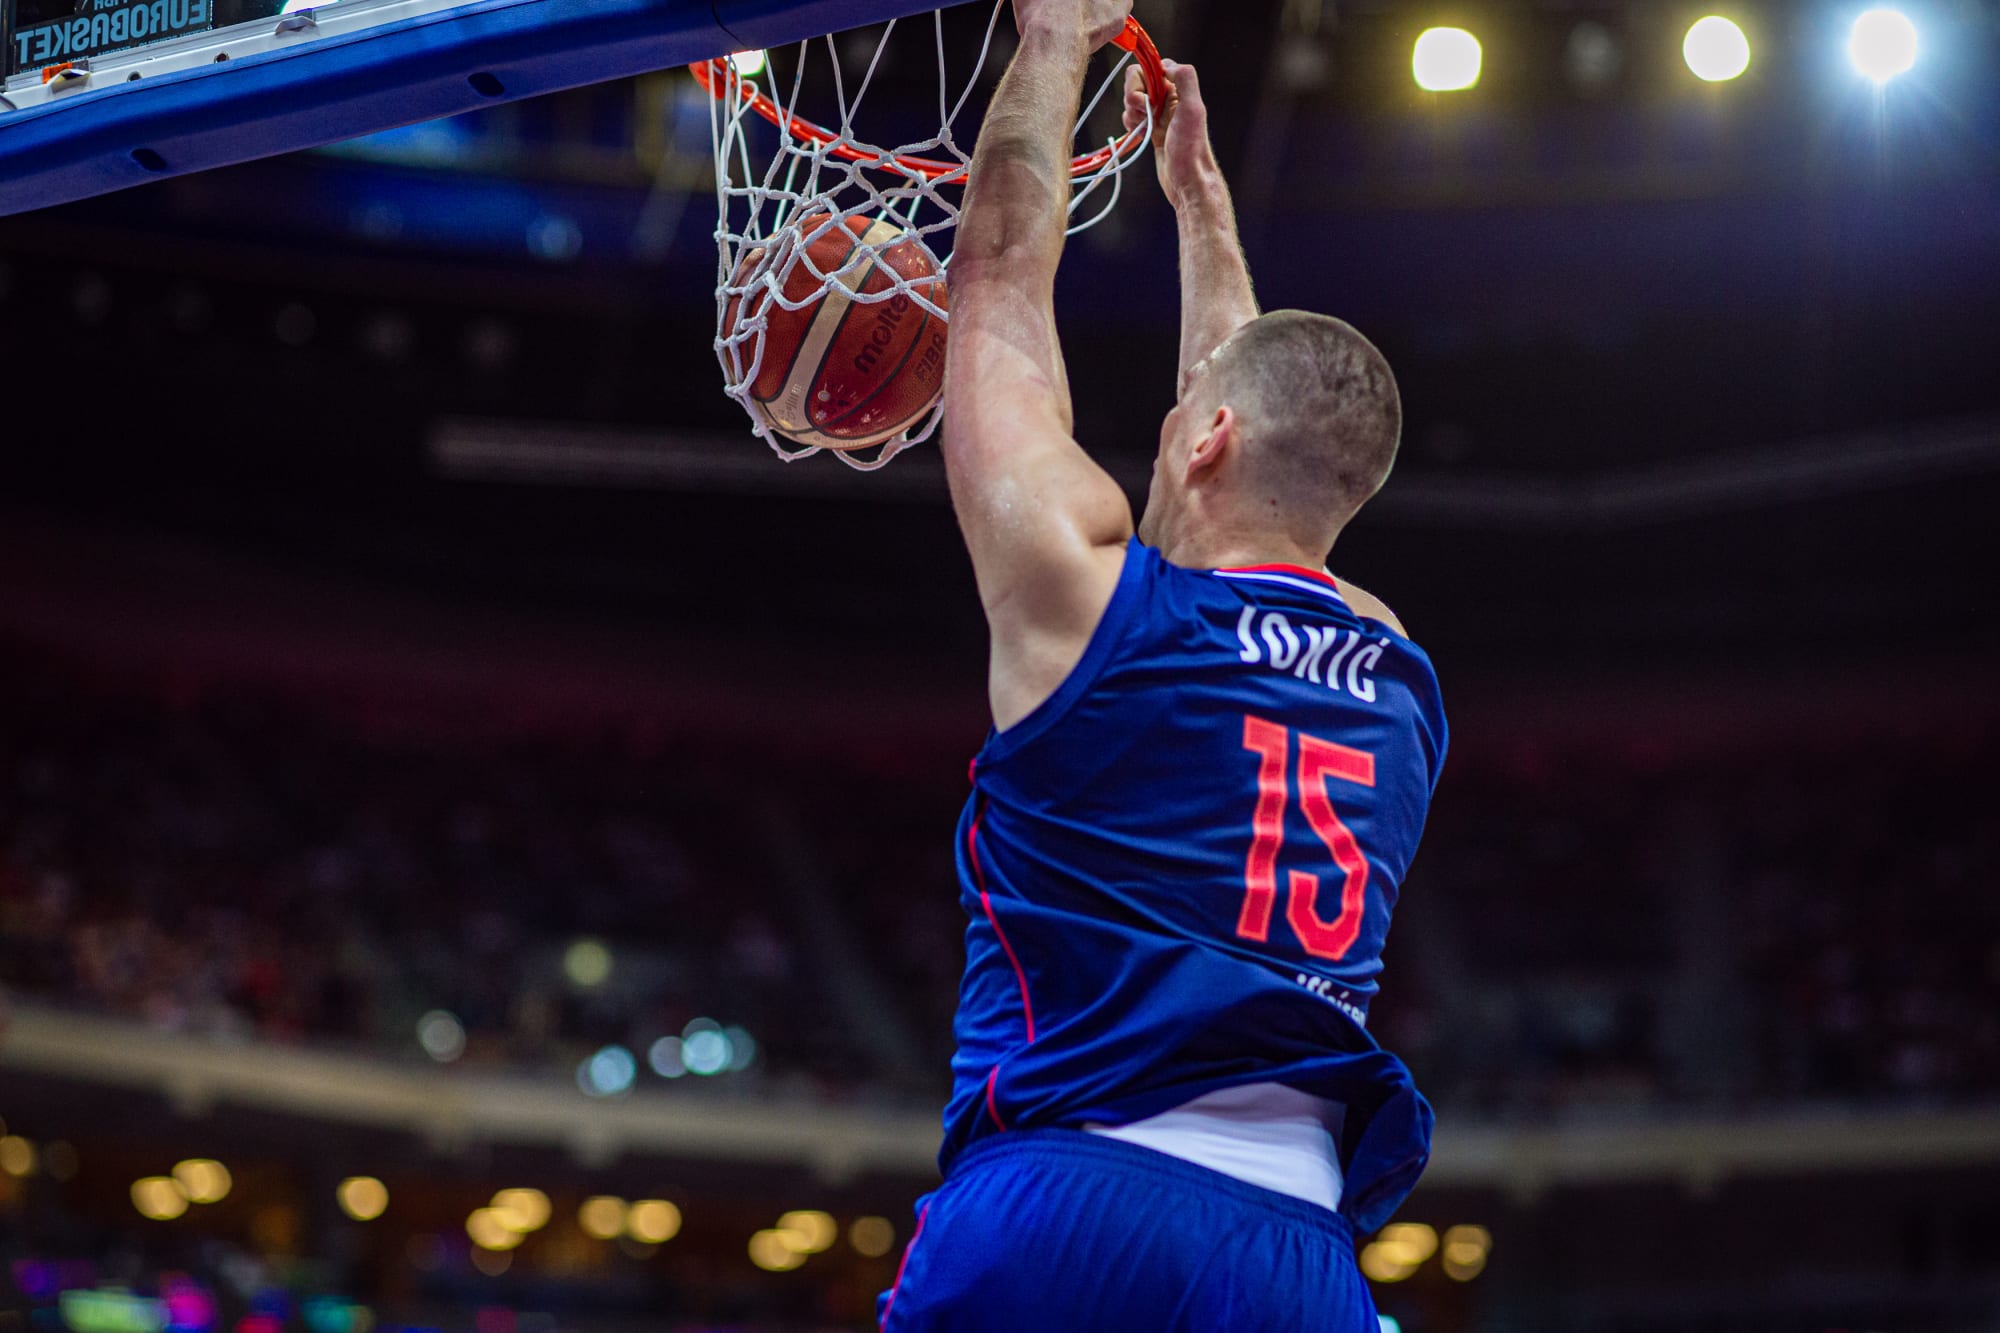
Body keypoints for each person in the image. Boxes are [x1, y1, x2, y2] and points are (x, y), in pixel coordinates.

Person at [876, 0, 1447, 1324]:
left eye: (1182, 419)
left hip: (1062, 1201)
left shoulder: (1089, 600)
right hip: (1293, 1255)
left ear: (1200, 442)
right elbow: (1248, 409)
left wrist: (1054, 44)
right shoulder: (1403, 687)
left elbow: (1000, 278)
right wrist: (1203, 210)